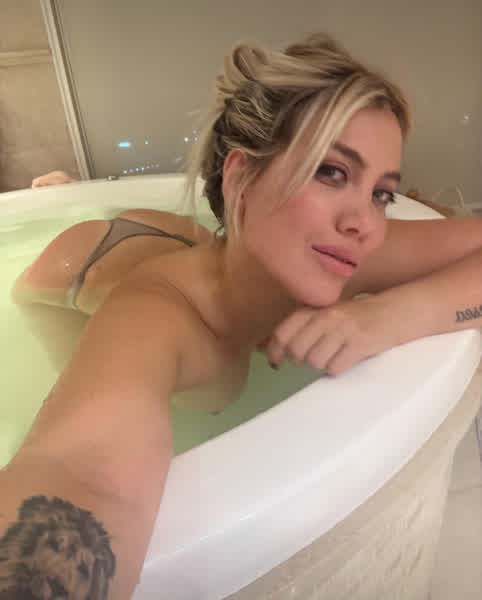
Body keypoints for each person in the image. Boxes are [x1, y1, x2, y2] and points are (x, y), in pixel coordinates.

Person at [2, 32, 482, 599]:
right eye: (331, 172)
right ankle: (62, 194)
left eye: (381, 193)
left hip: (190, 243)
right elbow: (82, 470)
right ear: (239, 176)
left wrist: (390, 316)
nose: (365, 222)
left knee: (198, 244)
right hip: (70, 275)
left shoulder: (336, 250)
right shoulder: (156, 319)